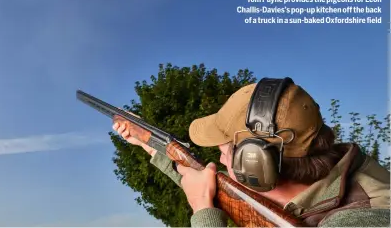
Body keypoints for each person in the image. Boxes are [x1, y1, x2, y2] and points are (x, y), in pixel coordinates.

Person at [112, 80, 390, 227]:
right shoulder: (337, 177)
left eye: (223, 151)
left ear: (255, 166)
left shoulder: (364, 220)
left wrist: (203, 211)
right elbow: (224, 191)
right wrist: (147, 141)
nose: (219, 161)